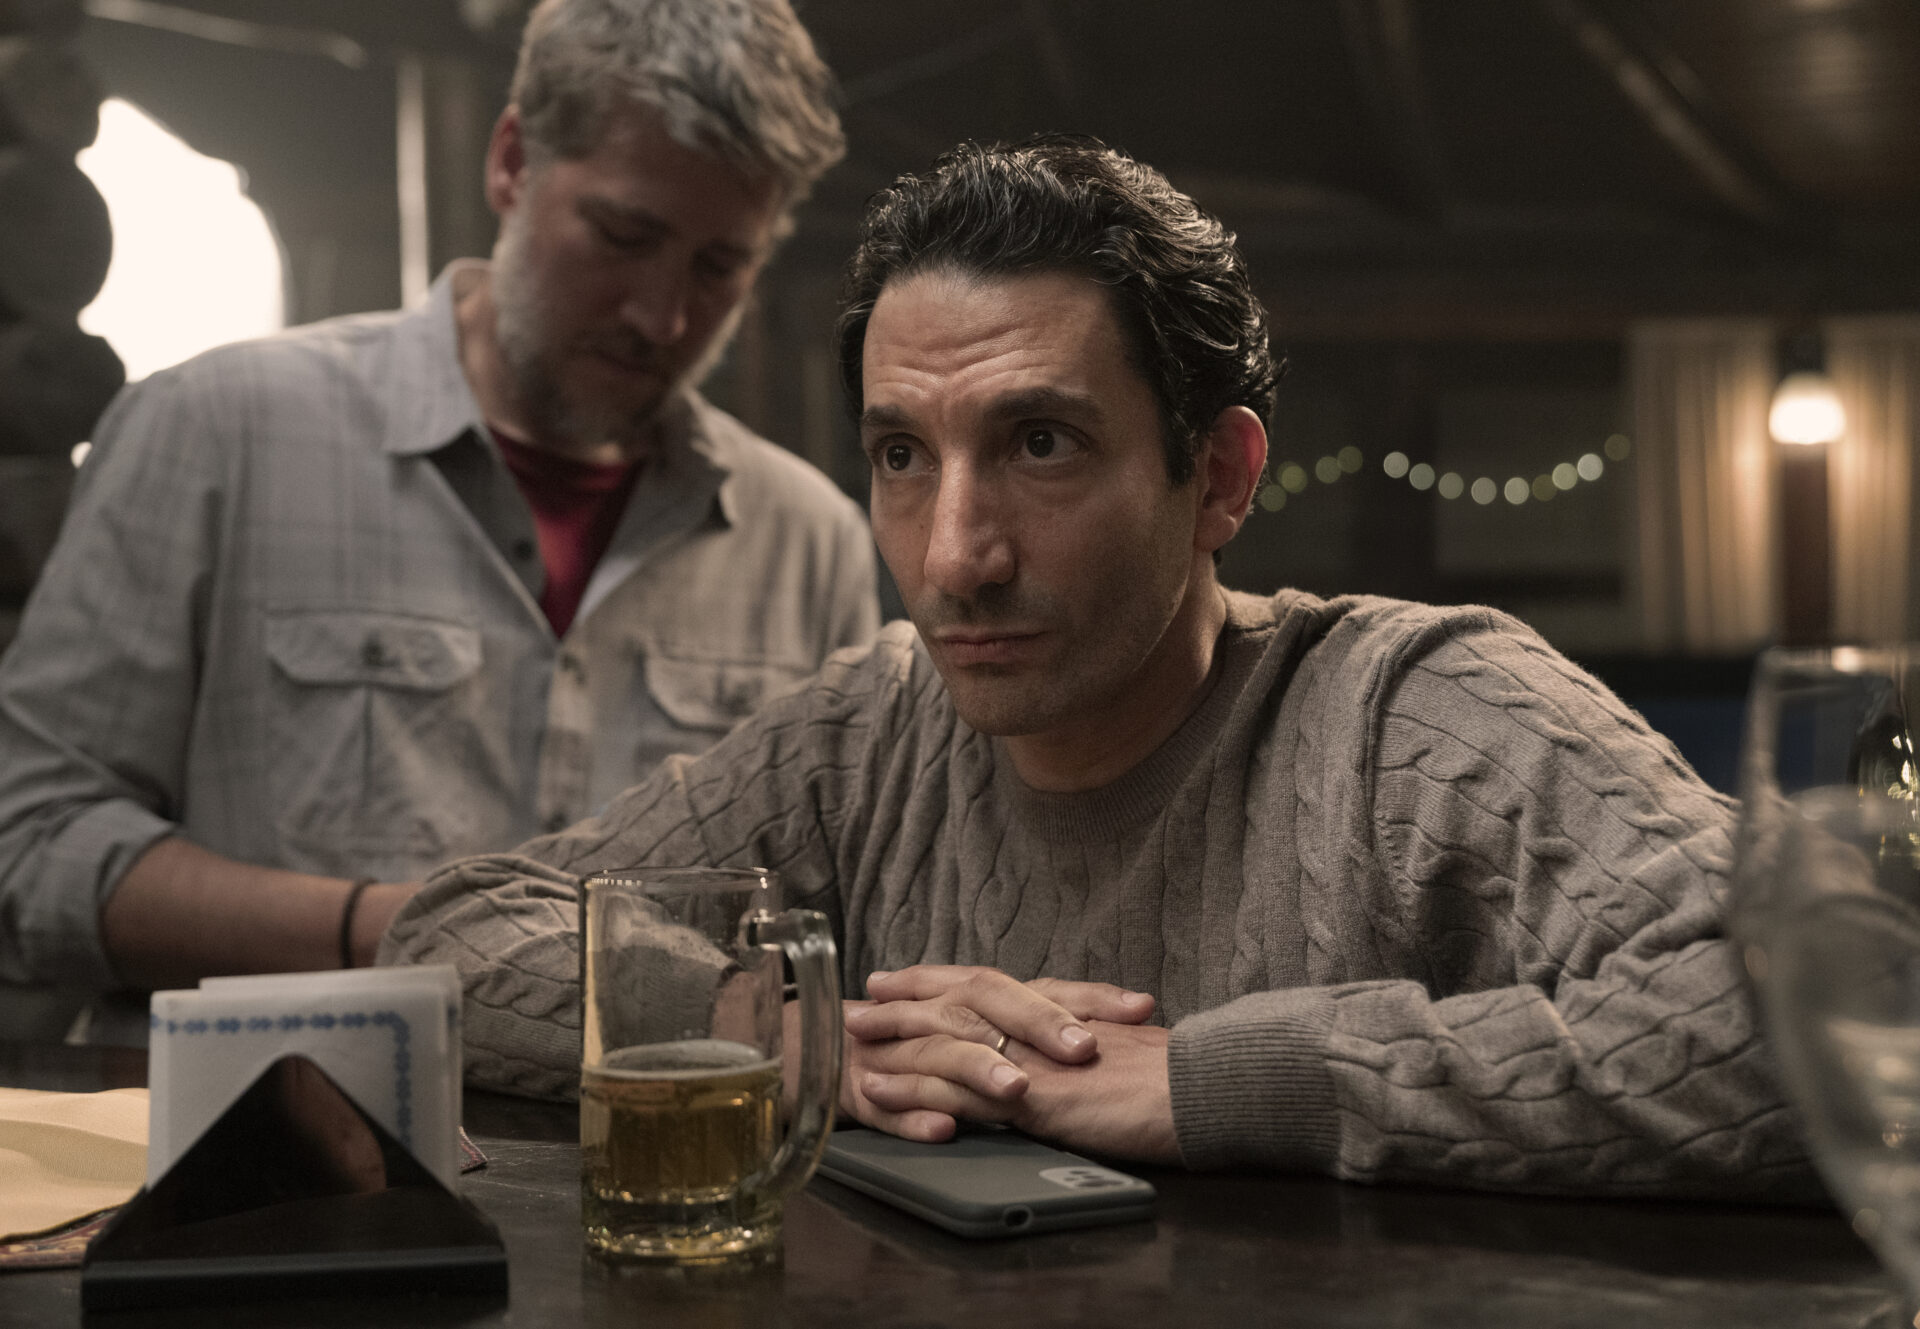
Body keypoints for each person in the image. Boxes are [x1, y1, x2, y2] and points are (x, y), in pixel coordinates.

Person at [382, 135, 1811, 1198]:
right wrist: (784, 1029)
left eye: (1041, 444)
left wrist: (1220, 1082)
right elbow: (452, 930)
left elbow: (1832, 1013)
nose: (955, 557)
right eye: (902, 456)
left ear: (1218, 477)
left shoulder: (1415, 713)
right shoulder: (867, 731)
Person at [0, 0, 879, 1003]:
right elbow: (30, 845)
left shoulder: (810, 542)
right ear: (512, 162)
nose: (662, 314)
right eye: (623, 235)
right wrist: (403, 933)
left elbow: (840, 923)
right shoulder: (212, 431)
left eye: (720, 266)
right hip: (294, 1110)